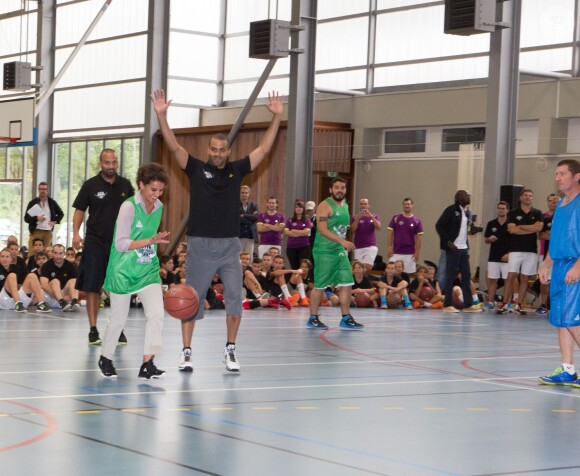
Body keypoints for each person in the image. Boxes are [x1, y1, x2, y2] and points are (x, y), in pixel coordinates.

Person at [151, 88, 283, 373]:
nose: (219, 154)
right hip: (199, 245)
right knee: (192, 299)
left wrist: (276, 118)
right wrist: (162, 116)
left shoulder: (237, 170)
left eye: (223, 150)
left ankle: (230, 350)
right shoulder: (196, 169)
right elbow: (173, 147)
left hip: (228, 247)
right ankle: (186, 352)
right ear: (208, 150)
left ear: (228, 151)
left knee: (235, 297)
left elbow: (263, 149)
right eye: (214, 149)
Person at [98, 163, 170, 379]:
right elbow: (120, 244)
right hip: (123, 269)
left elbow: (151, 240)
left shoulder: (159, 207)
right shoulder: (128, 207)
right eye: (153, 190)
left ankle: (147, 363)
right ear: (141, 185)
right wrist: (150, 240)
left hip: (147, 269)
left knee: (156, 314)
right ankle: (106, 357)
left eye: (160, 191)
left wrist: (152, 244)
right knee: (118, 319)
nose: (156, 195)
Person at [72, 148, 135, 345]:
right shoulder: (90, 185)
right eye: (107, 163)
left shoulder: (125, 185)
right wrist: (75, 233)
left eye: (114, 162)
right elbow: (80, 211)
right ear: (101, 164)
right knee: (93, 287)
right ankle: (93, 329)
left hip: (119, 244)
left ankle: (119, 328)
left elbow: (135, 210)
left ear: (117, 163)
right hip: (95, 243)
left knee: (119, 287)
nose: (111, 166)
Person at [538, 159, 580, 386]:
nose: (557, 178)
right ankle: (567, 370)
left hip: (576, 265)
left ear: (576, 176)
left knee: (573, 320)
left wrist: (577, 267)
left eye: (562, 174)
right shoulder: (562, 205)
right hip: (560, 265)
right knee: (561, 320)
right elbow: (555, 241)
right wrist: (546, 265)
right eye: (556, 174)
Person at [307, 177, 363, 330]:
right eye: (337, 187)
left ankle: (346, 317)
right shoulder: (324, 205)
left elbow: (343, 228)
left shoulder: (345, 205)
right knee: (320, 285)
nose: (340, 190)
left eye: (343, 187)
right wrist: (342, 242)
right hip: (324, 250)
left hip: (339, 250)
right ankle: (312, 317)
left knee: (347, 282)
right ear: (331, 190)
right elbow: (323, 229)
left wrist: (354, 224)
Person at [435, 190, 482, 313]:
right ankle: (447, 304)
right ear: (459, 197)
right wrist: (447, 241)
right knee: (450, 276)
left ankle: (467, 305)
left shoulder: (467, 212)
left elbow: (464, 230)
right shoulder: (451, 209)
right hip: (453, 248)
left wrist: (474, 230)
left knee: (466, 276)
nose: (468, 197)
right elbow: (439, 225)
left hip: (463, 248)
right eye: (466, 195)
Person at [499, 189, 543, 315]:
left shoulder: (537, 212)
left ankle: (518, 304)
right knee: (511, 276)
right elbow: (512, 230)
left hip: (531, 251)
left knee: (525, 278)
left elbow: (539, 228)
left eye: (530, 195)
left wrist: (521, 226)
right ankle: (505, 303)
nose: (528, 197)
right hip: (515, 250)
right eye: (526, 195)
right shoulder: (513, 213)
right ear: (521, 198)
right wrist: (531, 228)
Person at [0, 248, 51, 313]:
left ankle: (41, 303)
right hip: (3, 299)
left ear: (11, 259)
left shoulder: (16, 268)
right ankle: (18, 303)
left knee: (32, 275)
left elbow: (23, 284)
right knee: (12, 275)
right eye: (2, 256)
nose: (5, 259)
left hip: (18, 300)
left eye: (7, 257)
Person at [483, 201, 510, 310]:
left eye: (503, 208)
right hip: (494, 256)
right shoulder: (491, 223)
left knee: (507, 280)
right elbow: (486, 239)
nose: (501, 210)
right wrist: (489, 239)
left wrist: (509, 254)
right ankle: (490, 301)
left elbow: (516, 241)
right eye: (499, 208)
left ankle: (506, 303)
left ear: (507, 210)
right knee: (493, 280)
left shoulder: (511, 224)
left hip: (507, 257)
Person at [24, 182, 64, 255]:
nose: (42, 191)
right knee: (32, 253)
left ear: (47, 191)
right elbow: (26, 218)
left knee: (46, 253)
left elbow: (61, 213)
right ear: (38, 190)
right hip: (36, 231)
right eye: (40, 189)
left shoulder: (52, 202)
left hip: (48, 232)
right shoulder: (33, 202)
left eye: (44, 189)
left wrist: (55, 221)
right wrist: (37, 218)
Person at [39, 243, 80, 312]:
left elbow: (76, 284)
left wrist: (67, 295)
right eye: (55, 253)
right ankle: (62, 302)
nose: (58, 256)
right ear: (52, 253)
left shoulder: (71, 266)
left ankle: (74, 302)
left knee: (73, 281)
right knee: (55, 281)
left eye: (60, 253)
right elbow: (43, 285)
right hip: (50, 296)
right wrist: (56, 296)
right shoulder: (46, 266)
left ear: (64, 254)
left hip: (64, 294)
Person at [536, 194, 559, 315]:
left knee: (558, 280)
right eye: (550, 201)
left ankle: (556, 305)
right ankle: (543, 305)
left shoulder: (563, 216)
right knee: (544, 280)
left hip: (561, 255)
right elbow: (541, 235)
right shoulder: (545, 219)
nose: (553, 203)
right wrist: (555, 236)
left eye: (555, 201)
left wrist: (552, 235)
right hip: (546, 254)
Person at [387, 198, 424, 274]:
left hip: (410, 253)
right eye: (405, 204)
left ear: (412, 205)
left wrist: (417, 252)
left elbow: (419, 238)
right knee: (390, 272)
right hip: (396, 252)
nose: (407, 206)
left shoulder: (417, 221)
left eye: (408, 204)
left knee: (406, 276)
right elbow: (390, 233)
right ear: (403, 205)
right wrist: (390, 247)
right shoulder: (396, 218)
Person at [350, 198, 381, 274]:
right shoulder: (355, 217)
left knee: (368, 267)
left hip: (370, 245)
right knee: (358, 268)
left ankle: (364, 281)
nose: (363, 205)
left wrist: (371, 217)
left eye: (365, 204)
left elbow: (378, 227)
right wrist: (357, 219)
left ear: (368, 205)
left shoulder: (374, 216)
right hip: (358, 246)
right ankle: (361, 282)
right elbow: (352, 230)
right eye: (361, 204)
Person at [284, 199, 313, 270]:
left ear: (303, 209)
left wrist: (293, 230)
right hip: (291, 248)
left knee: (303, 268)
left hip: (304, 247)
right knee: (294, 268)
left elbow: (306, 232)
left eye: (300, 207)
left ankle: (303, 281)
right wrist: (301, 233)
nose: (298, 209)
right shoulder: (290, 220)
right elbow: (286, 232)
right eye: (296, 207)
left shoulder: (307, 220)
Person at [239, 185, 259, 256]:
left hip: (250, 235)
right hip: (239, 235)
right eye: (242, 192)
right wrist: (251, 218)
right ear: (239, 193)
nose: (244, 194)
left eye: (246, 193)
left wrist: (244, 215)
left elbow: (256, 217)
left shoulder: (253, 205)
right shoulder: (234, 205)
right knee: (238, 258)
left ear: (249, 194)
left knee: (249, 257)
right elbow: (237, 219)